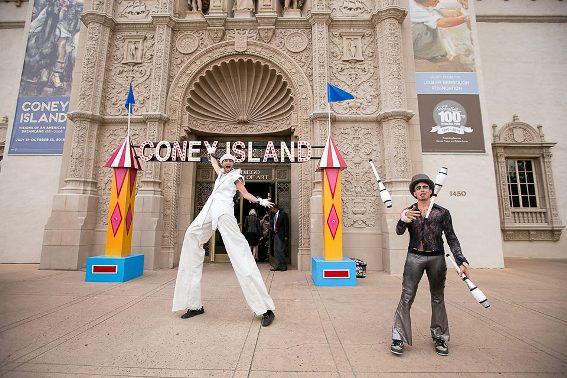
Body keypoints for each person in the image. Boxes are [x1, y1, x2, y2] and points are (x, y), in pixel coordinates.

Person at [172, 148, 276, 327]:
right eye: (225, 161)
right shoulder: (220, 173)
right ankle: (194, 304)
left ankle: (265, 308)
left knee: (240, 254)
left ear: (233, 164)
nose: (227, 163)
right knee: (191, 236)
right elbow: (213, 162)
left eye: (230, 161)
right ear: (222, 163)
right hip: (209, 211)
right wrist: (212, 153)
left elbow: (244, 193)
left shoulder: (235, 176)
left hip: (224, 214)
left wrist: (260, 201)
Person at [390, 173, 470, 356]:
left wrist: (460, 260)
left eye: (425, 187)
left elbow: (451, 237)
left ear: (431, 190)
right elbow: (399, 232)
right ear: (414, 193)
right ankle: (398, 337)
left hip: (437, 259)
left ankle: (440, 337)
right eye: (418, 188)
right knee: (406, 296)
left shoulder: (442, 212)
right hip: (414, 258)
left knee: (437, 298)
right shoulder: (409, 211)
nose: (422, 190)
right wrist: (403, 219)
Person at [270, 203, 288, 271]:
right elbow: (274, 224)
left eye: (272, 209)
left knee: (280, 250)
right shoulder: (274, 215)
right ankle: (278, 266)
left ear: (275, 208)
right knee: (276, 251)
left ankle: (284, 266)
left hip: (281, 235)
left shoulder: (283, 214)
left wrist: (286, 235)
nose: (271, 210)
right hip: (275, 235)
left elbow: (286, 225)